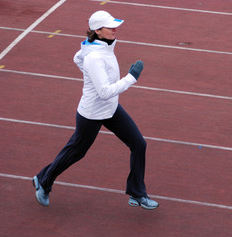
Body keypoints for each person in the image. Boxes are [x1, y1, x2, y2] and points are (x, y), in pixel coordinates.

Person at [32, 10, 159, 210]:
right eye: (110, 26)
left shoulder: (99, 45)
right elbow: (104, 92)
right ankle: (43, 180)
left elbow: (77, 58)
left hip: (111, 109)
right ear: (98, 30)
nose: (115, 29)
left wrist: (89, 75)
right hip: (91, 113)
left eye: (115, 25)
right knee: (75, 152)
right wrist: (131, 78)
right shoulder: (95, 57)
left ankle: (137, 193)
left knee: (139, 144)